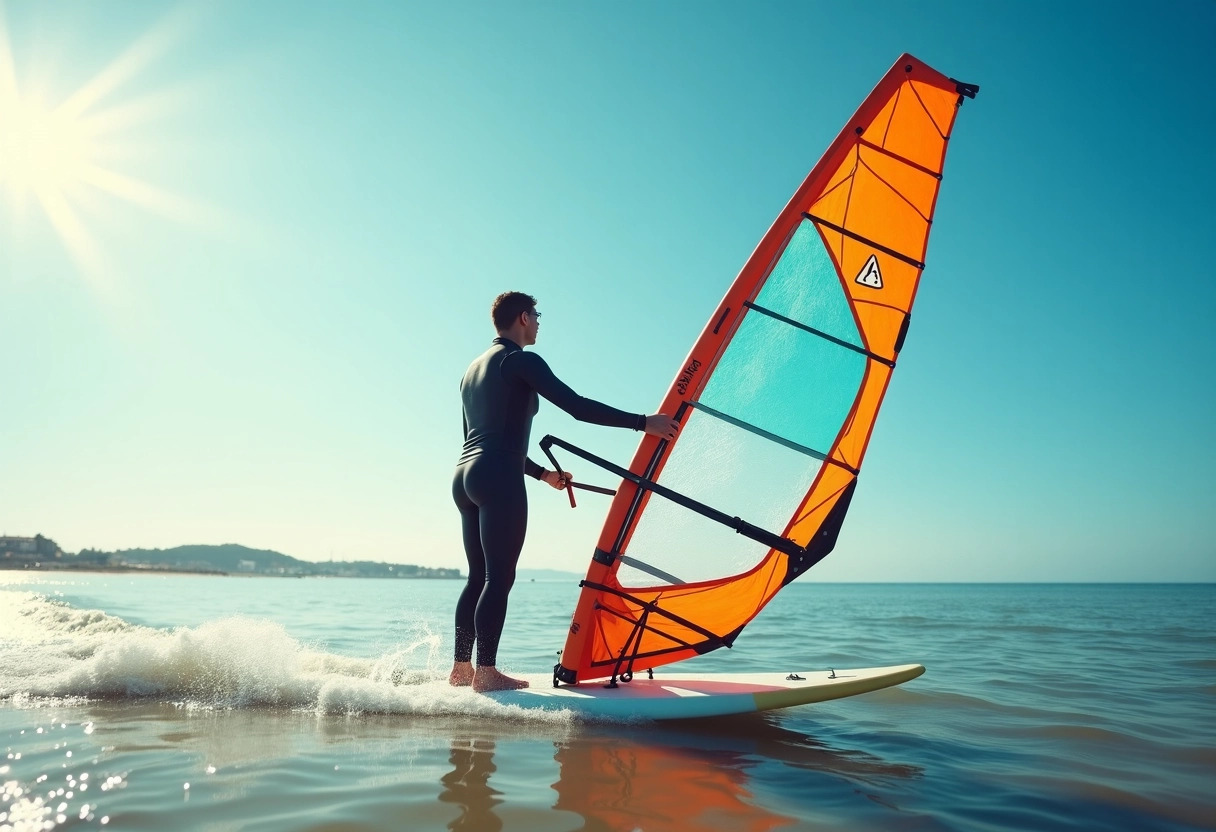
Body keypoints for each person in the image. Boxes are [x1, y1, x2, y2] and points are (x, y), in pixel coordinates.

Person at [450, 291, 679, 692]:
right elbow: (577, 406)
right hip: (499, 475)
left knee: (478, 577)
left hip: (466, 476)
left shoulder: (471, 372)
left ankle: (460, 669)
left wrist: (543, 476)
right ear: (523, 317)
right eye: (536, 315)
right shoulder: (519, 359)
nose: (538, 323)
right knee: (499, 578)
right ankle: (485, 672)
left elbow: (481, 438)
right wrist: (644, 422)